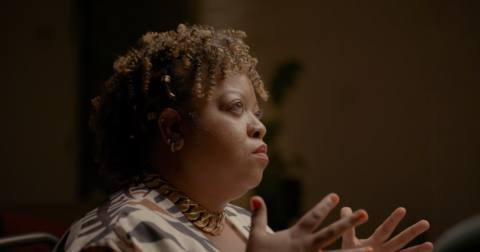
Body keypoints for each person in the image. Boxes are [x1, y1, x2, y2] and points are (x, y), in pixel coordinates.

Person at [58, 24, 434, 252]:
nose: (259, 126)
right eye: (236, 108)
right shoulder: (122, 234)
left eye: (257, 113)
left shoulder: (239, 222)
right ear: (173, 128)